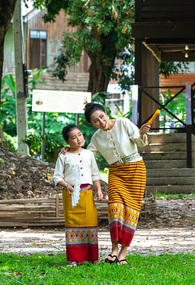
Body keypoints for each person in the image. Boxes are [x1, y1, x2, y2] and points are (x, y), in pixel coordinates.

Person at [84, 103, 150, 266]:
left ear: (106, 113)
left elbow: (141, 143)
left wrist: (141, 134)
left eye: (101, 116)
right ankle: (114, 249)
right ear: (92, 124)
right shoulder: (96, 137)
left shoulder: (123, 122)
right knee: (114, 209)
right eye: (95, 121)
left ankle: (123, 253)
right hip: (116, 173)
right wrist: (69, 150)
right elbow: (87, 156)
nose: (101, 122)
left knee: (131, 212)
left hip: (135, 169)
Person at [53, 124, 103, 267]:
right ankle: (74, 258)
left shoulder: (89, 154)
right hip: (70, 195)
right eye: (73, 138)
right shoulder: (63, 156)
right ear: (67, 142)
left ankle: (92, 257)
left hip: (87, 194)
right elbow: (56, 177)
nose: (78, 139)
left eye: (79, 135)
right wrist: (67, 185)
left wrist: (98, 189)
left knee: (90, 222)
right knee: (73, 225)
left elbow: (95, 173)